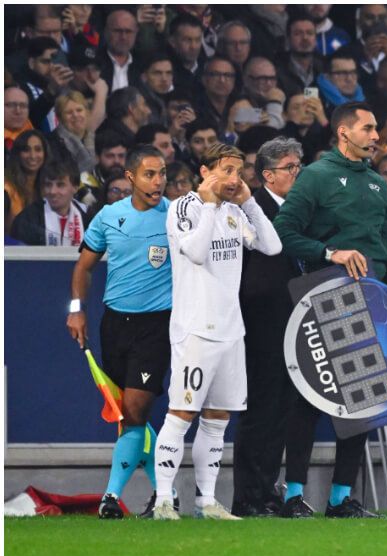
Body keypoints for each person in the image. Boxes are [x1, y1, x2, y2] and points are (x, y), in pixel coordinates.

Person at [273, 101, 387, 519]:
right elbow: (282, 232)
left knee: (363, 404)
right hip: (326, 295)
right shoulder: (316, 177)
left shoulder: (377, 185)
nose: (376, 136)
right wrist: (330, 253)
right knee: (312, 397)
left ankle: (340, 499)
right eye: (367, 128)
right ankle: (293, 495)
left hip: (373, 300)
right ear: (343, 132)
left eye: (376, 129)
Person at [151, 142, 282, 520]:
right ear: (205, 171)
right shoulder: (184, 207)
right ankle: (163, 500)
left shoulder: (234, 211)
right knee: (181, 414)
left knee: (217, 419)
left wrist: (250, 202)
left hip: (231, 330)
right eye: (227, 170)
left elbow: (272, 247)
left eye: (239, 171)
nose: (234, 178)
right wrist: (209, 205)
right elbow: (194, 253)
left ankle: (206, 501)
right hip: (196, 329)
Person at [65, 145, 173, 518]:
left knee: (135, 408)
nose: (158, 182)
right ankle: (166, 496)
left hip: (157, 324)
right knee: (127, 413)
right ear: (130, 177)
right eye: (149, 174)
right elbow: (83, 267)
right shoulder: (110, 217)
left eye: (162, 173)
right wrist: (76, 310)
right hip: (114, 324)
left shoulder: (176, 217)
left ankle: (110, 497)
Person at [231, 137, 305, 517]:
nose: (297, 173)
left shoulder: (301, 210)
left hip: (294, 323)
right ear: (267, 175)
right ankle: (247, 497)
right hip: (259, 324)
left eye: (298, 166)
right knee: (259, 409)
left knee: (282, 411)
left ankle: (268, 493)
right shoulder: (250, 210)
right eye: (290, 167)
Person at [12, 159, 91, 247]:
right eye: (48, 185)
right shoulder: (27, 220)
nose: (53, 191)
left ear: (75, 188)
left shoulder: (88, 219)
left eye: (60, 185)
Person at [4, 129, 48, 235]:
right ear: (17, 154)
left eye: (38, 149)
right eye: (26, 150)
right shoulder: (6, 189)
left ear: (45, 154)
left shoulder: (50, 186)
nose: (32, 156)